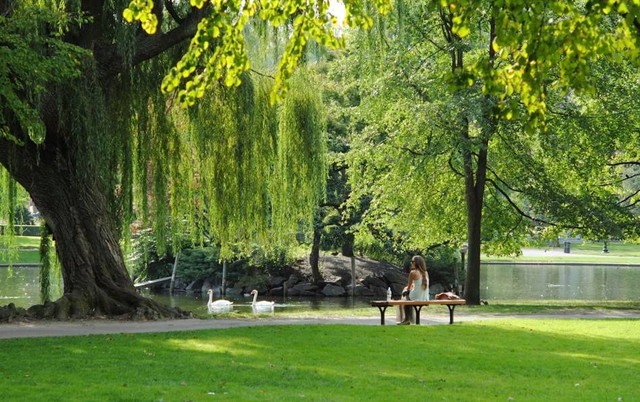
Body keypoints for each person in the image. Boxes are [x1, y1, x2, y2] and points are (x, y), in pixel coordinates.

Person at [398, 255, 430, 325]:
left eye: (412, 262)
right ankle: (408, 318)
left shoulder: (413, 272)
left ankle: (406, 318)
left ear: (417, 263)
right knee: (407, 295)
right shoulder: (426, 273)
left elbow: (408, 288)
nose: (411, 263)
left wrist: (408, 289)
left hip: (416, 297)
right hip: (425, 298)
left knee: (405, 291)